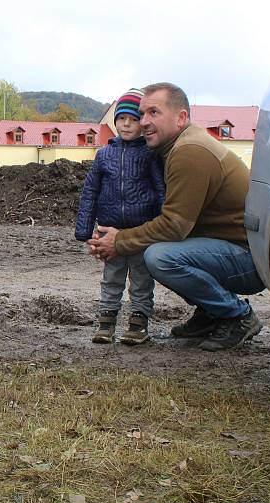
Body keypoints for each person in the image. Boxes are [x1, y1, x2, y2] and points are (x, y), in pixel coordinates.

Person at [87, 82, 265, 351]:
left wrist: (120, 241)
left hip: (249, 260)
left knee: (160, 257)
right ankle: (211, 312)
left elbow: (174, 225)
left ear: (181, 117)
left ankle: (237, 315)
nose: (143, 121)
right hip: (227, 250)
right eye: (142, 114)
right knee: (157, 249)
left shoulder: (189, 151)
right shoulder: (172, 148)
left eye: (154, 113)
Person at [75, 88, 165, 345]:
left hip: (141, 231)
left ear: (143, 122)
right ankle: (106, 323)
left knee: (141, 279)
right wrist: (84, 230)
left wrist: (162, 225)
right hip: (108, 231)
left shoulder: (150, 154)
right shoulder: (103, 155)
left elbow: (161, 190)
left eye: (133, 119)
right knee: (111, 278)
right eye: (121, 118)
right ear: (114, 121)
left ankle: (138, 324)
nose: (126, 124)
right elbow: (90, 192)